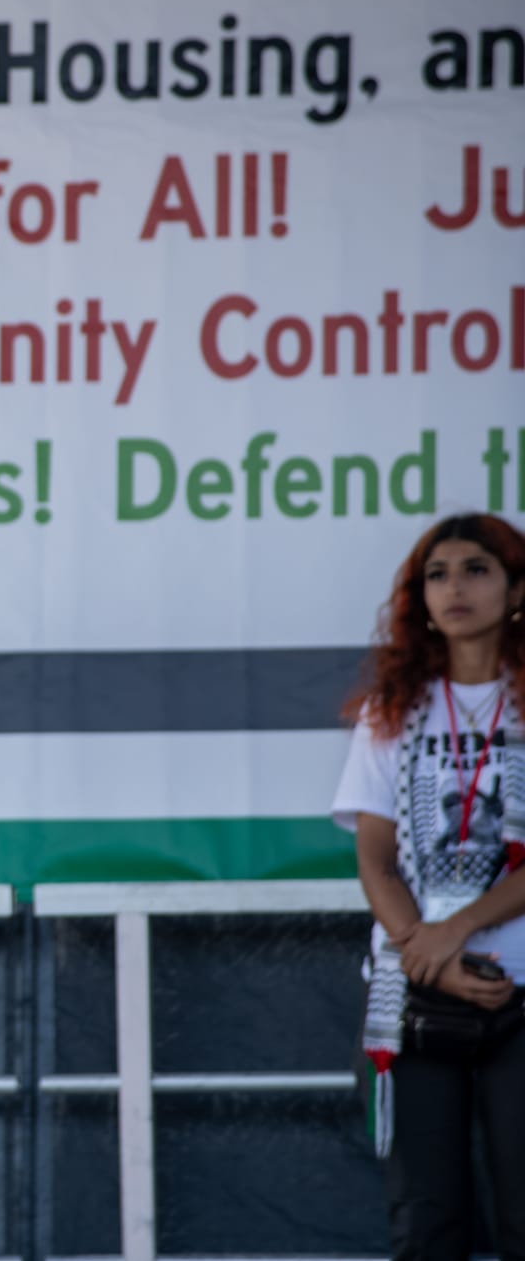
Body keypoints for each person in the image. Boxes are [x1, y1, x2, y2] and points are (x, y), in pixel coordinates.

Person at [333, 512, 525, 1259]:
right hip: (414, 992)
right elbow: (376, 861)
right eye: (436, 575)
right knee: (425, 1223)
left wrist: (456, 930)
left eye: (476, 569)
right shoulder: (391, 709)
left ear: (516, 590)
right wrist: (431, 955)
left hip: (518, 989)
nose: (454, 588)